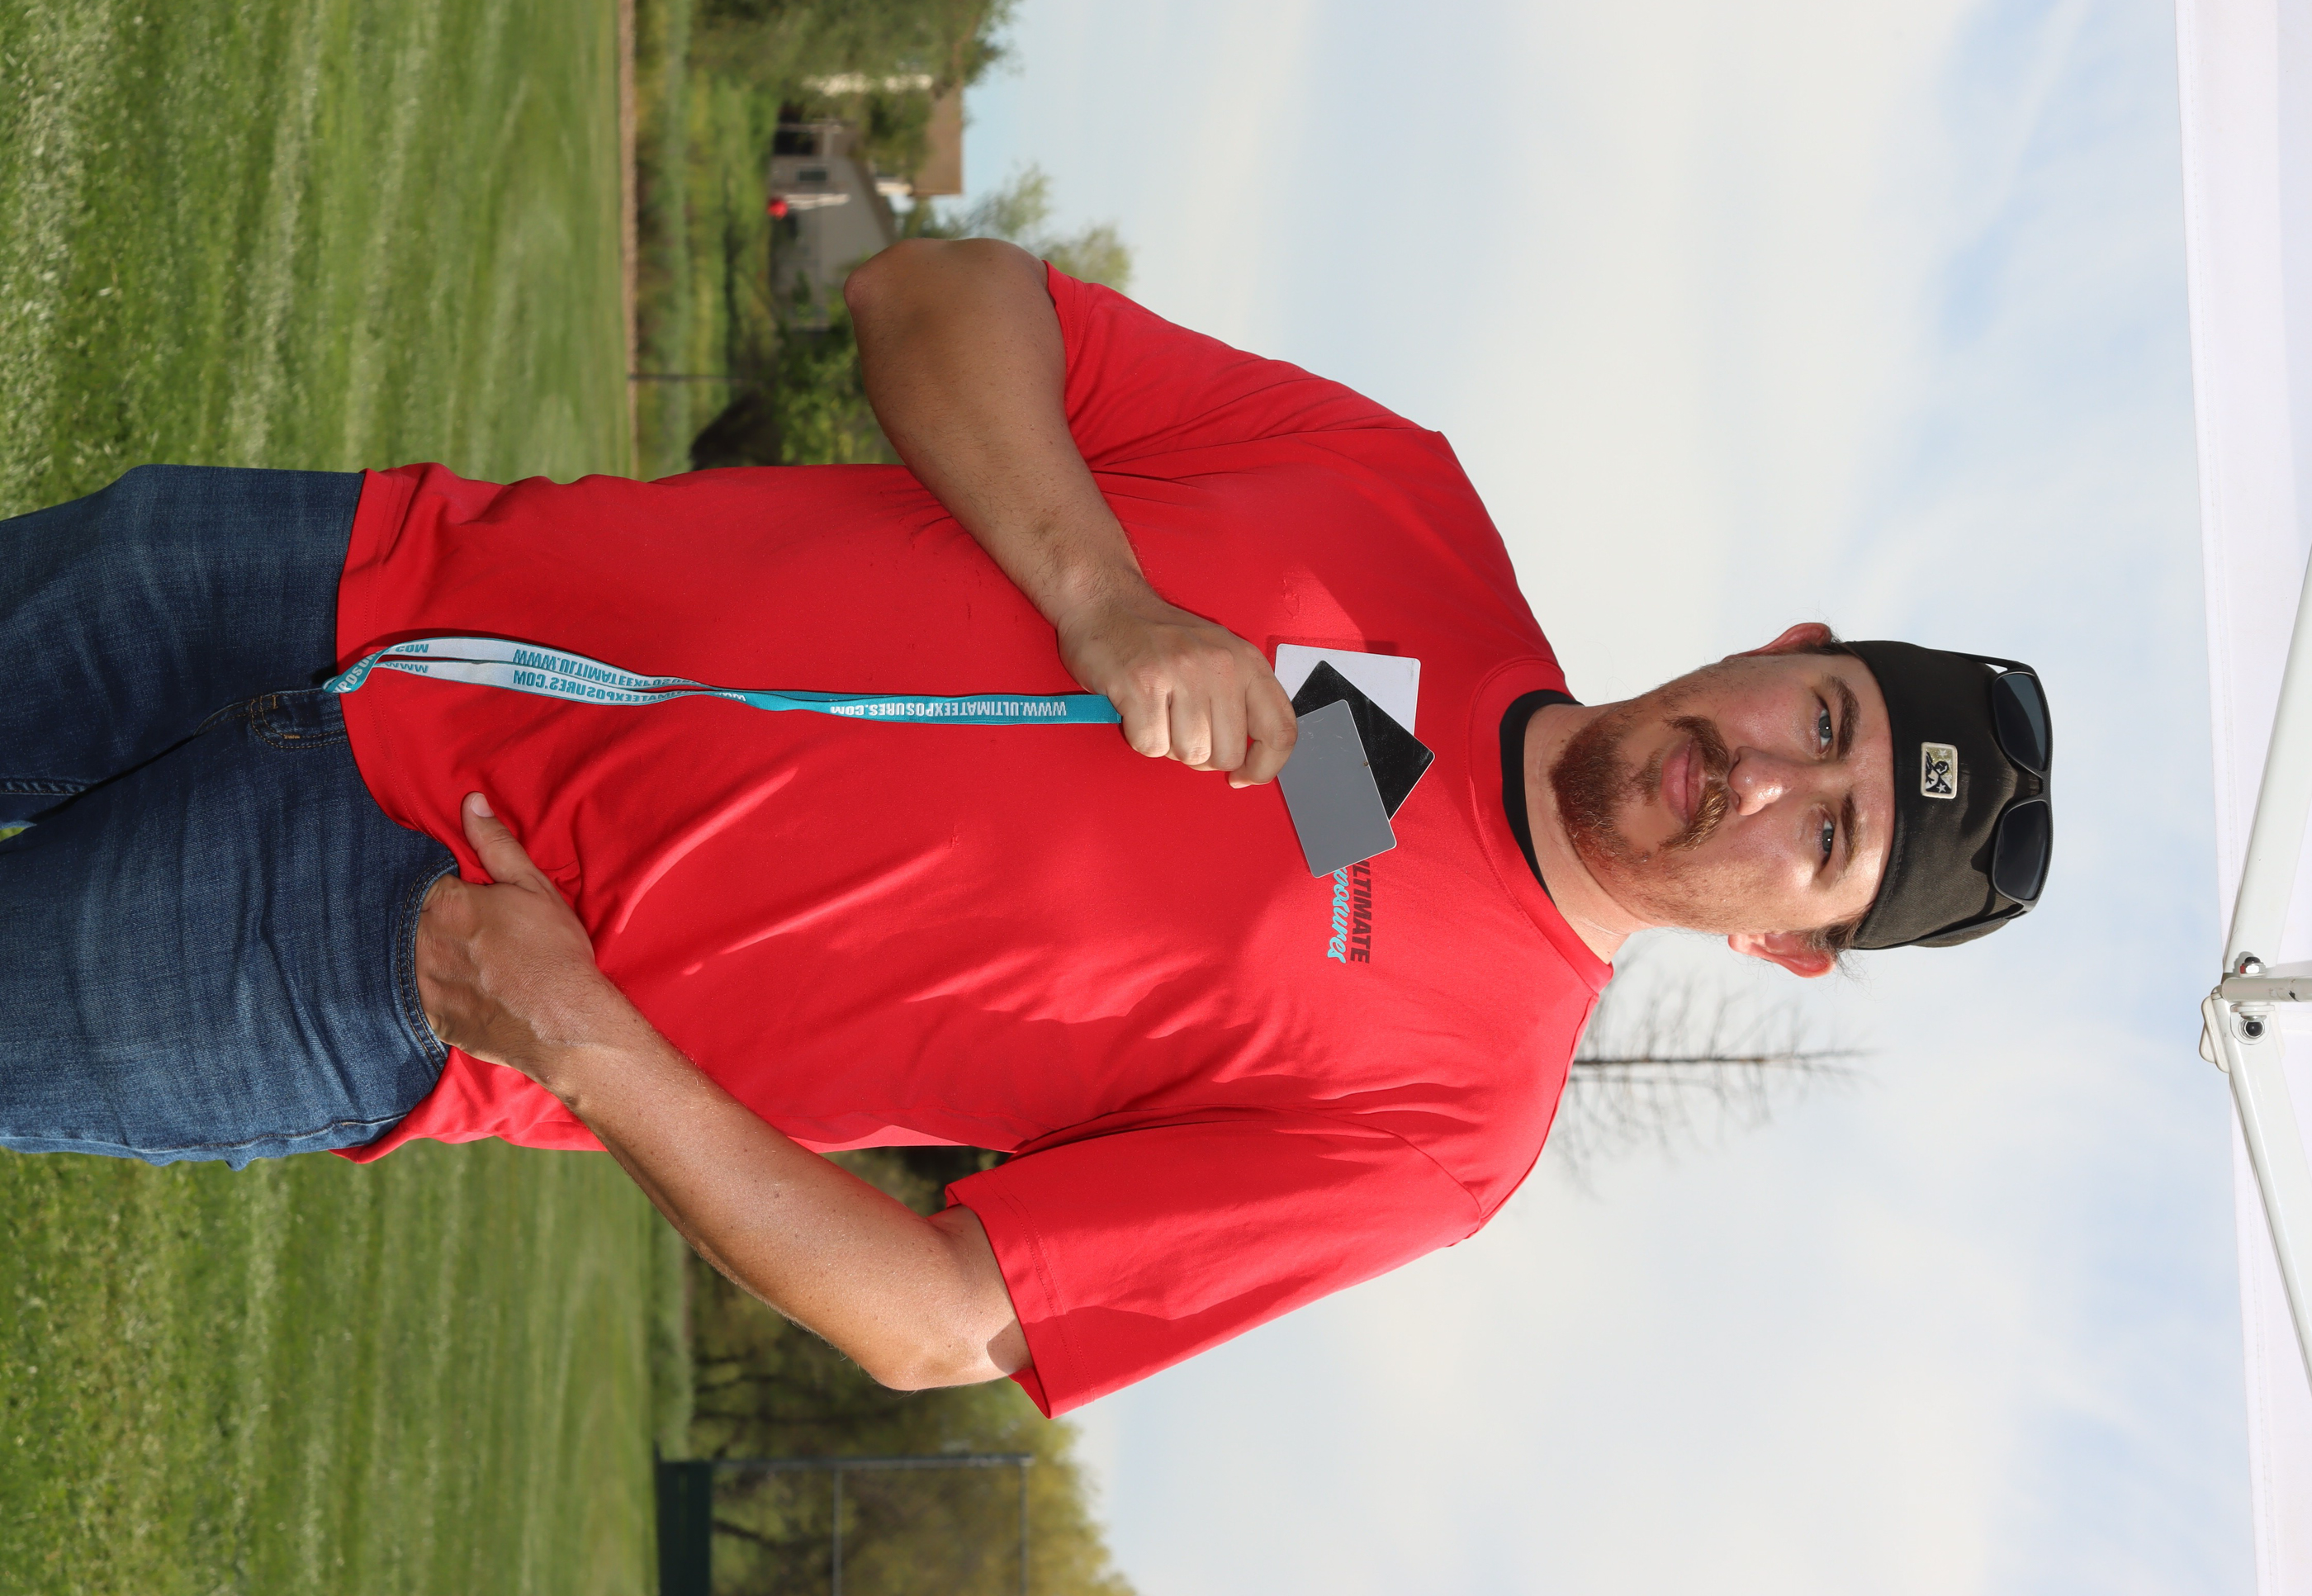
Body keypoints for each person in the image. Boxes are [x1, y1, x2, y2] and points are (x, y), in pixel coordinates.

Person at [0, 240, 2054, 1416]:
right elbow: (936, 292)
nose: (1763, 780)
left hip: (404, 948)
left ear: (1786, 941)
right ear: (1785, 648)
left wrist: (579, 1038)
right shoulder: (1402, 514)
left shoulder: (1446, 1121)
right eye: (1820, 720)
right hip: (351, 575)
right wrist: (1103, 597)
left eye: (1825, 836)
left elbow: (941, 1317)